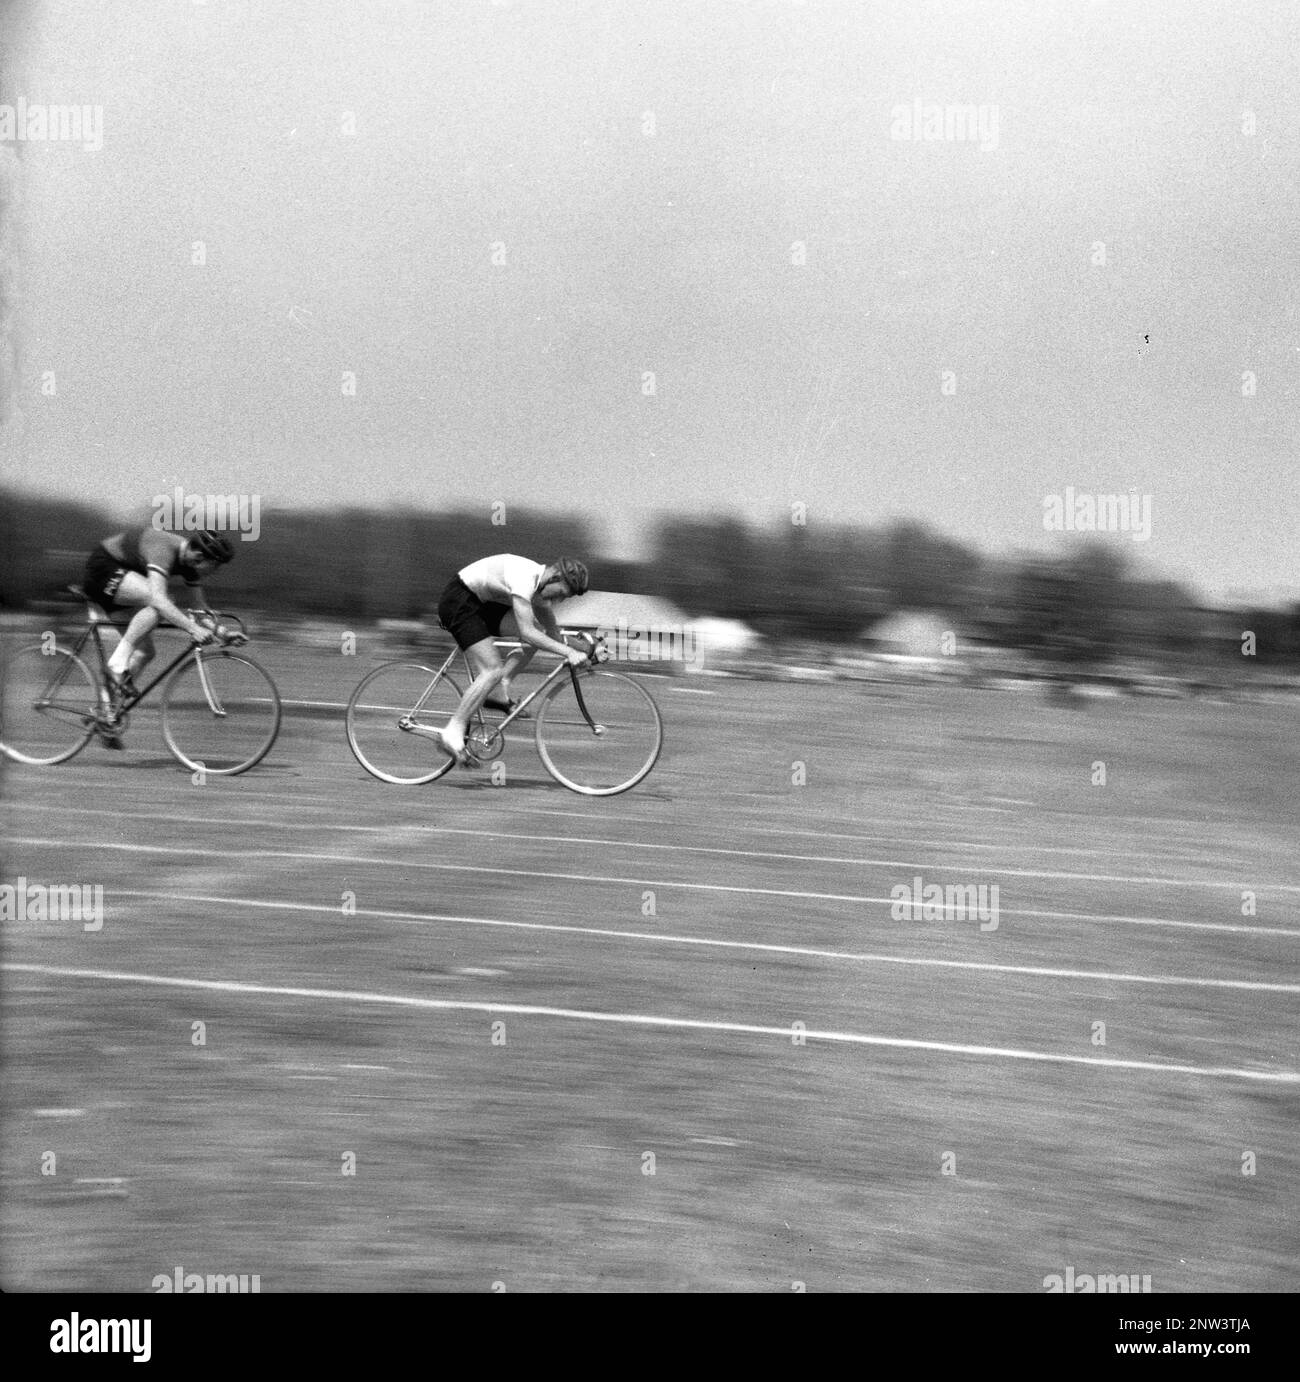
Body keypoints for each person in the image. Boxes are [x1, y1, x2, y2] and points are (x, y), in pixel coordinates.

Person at [82, 526, 236, 742]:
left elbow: (200, 610)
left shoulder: (190, 563)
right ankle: (117, 664)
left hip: (123, 578)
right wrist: (192, 629)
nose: (215, 572)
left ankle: (106, 714)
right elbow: (159, 601)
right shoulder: (164, 549)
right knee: (161, 602)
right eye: (215, 566)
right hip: (103, 569)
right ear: (200, 557)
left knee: (145, 653)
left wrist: (223, 633)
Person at [432, 554, 590, 765]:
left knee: (538, 634)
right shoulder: (525, 577)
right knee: (492, 670)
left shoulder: (540, 589)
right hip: (459, 600)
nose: (559, 600)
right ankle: (452, 733)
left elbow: (552, 633)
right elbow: (527, 633)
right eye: (562, 593)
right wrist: (568, 652)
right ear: (555, 577)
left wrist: (587, 648)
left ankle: (499, 692)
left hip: (480, 603)